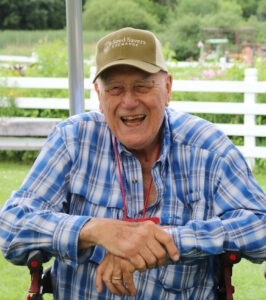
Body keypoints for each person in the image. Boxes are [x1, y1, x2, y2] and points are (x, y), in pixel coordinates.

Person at [0, 27, 265, 299]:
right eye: (115, 88)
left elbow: (260, 224)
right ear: (99, 95)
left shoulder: (209, 149)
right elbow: (11, 226)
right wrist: (95, 230)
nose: (129, 102)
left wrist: (168, 242)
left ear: (168, 88)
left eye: (142, 86)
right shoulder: (73, 140)